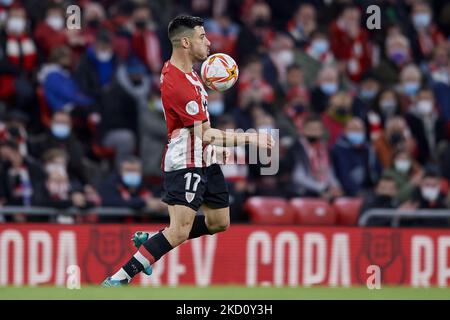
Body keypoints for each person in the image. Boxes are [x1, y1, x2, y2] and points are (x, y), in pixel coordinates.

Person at [102, 15, 273, 286]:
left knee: (219, 221)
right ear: (185, 42)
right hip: (186, 162)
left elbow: (202, 129)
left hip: (203, 156)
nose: (209, 42)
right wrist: (249, 139)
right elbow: (204, 132)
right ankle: (119, 278)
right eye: (202, 37)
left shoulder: (190, 73)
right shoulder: (179, 85)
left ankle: (158, 238)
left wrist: (214, 148)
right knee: (180, 231)